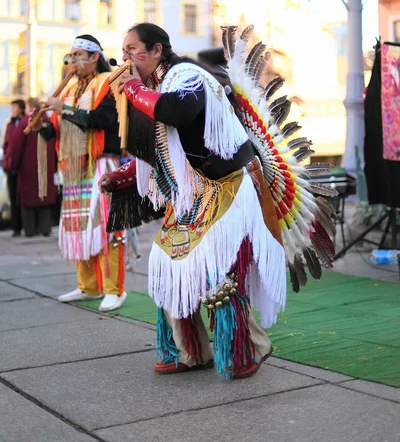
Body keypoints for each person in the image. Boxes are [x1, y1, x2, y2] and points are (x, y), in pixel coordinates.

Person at [99, 23, 284, 379]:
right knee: (168, 267)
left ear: (156, 50)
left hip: (227, 184)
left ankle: (249, 347)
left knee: (215, 271)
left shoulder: (187, 75)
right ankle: (191, 351)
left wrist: (134, 89)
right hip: (190, 195)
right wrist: (122, 176)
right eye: (123, 51)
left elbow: (178, 112)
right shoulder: (153, 89)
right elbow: (153, 151)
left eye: (132, 49)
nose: (126, 58)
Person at [35, 34, 126, 312]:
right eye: (70, 55)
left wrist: (65, 109)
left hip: (101, 163)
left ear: (94, 57)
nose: (72, 61)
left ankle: (114, 289)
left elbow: (101, 120)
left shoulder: (109, 85)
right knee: (78, 228)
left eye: (77, 55)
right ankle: (88, 286)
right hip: (74, 167)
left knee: (106, 228)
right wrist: (41, 125)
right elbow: (55, 130)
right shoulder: (69, 89)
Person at [7, 98, 56, 237]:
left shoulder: (25, 123)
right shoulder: (49, 122)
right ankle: (45, 228)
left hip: (27, 170)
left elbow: (16, 146)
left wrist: (11, 165)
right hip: (47, 168)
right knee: (45, 200)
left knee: (28, 202)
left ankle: (30, 230)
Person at [2, 99, 25, 236]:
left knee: (22, 196)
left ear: (21, 109)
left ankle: (25, 225)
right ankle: (16, 227)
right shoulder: (9, 124)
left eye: (15, 107)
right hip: (11, 165)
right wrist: (6, 160)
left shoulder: (25, 122)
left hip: (22, 166)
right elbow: (6, 143)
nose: (12, 110)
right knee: (12, 195)